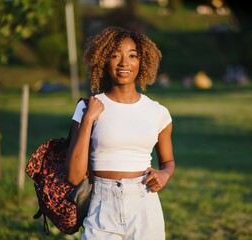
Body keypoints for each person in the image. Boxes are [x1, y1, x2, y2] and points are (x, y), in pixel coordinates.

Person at [65, 26, 175, 239]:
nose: (124, 62)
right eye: (115, 55)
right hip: (101, 206)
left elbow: (168, 161)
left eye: (132, 55)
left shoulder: (158, 112)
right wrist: (88, 120)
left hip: (144, 204)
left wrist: (164, 174)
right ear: (104, 60)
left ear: (142, 61)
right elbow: (74, 175)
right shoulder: (88, 108)